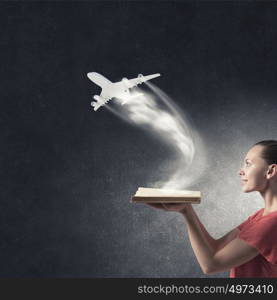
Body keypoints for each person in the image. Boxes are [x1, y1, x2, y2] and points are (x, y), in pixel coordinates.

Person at [147, 140, 277, 277]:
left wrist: (187, 211)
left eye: (248, 164)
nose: (241, 171)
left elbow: (211, 264)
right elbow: (217, 248)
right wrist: (185, 209)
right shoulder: (260, 216)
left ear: (270, 171)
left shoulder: (271, 224)